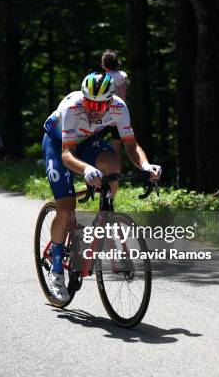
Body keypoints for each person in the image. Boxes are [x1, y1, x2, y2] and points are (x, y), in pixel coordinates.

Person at [42, 72, 161, 301]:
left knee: (112, 165)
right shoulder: (71, 107)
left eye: (100, 104)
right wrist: (86, 169)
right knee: (66, 210)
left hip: (86, 141)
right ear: (83, 98)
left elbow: (131, 146)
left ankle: (102, 219)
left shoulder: (119, 107)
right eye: (90, 103)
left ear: (110, 101)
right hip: (58, 145)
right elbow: (67, 154)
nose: (95, 109)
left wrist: (146, 166)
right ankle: (56, 269)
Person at [101, 50, 130, 162]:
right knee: (117, 146)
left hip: (105, 115)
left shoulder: (103, 77)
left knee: (95, 142)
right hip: (120, 114)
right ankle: (117, 175)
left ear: (104, 64)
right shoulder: (123, 75)